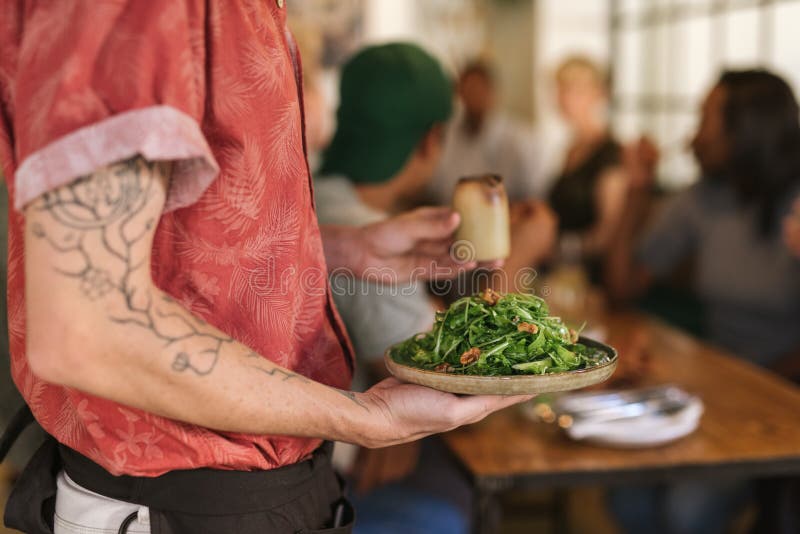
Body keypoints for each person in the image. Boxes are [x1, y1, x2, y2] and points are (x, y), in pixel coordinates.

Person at [0, 3, 532, 533]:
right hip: (177, 505)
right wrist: (364, 417)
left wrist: (337, 250)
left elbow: (177, 245)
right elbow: (86, 327)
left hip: (258, 493)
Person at [606, 69, 800, 534]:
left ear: (745, 130)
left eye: (706, 117)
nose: (694, 133)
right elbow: (622, 286)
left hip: (781, 398)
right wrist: (636, 190)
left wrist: (753, 386)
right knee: (626, 496)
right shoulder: (705, 199)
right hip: (712, 393)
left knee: (689, 509)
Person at [315, 42, 470, 534]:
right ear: (431, 139)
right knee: (458, 494)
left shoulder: (308, 196)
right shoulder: (369, 240)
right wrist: (521, 254)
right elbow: (443, 372)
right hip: (338, 474)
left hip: (290, 461)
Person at [547, 56, 628, 280]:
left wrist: (558, 250)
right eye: (560, 89)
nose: (563, 98)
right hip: (560, 275)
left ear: (597, 94)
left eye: (573, 90)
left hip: (591, 279)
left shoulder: (610, 154)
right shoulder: (570, 150)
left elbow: (607, 234)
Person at [426, 60, 546, 205]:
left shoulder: (520, 139)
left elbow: (532, 195)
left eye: (479, 90)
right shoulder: (447, 135)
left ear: (493, 92)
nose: (473, 97)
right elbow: (434, 188)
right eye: (468, 90)